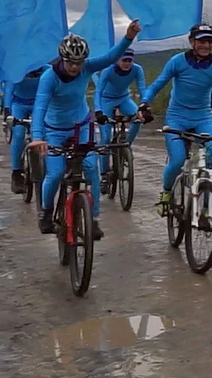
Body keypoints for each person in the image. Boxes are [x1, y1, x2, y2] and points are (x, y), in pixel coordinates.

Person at [29, 21, 141, 239]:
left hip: (82, 126)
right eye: (71, 62)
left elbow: (110, 58)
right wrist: (36, 137)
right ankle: (46, 212)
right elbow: (40, 107)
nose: (75, 67)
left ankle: (94, 218)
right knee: (55, 173)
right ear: (63, 58)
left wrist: (128, 37)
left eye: (79, 62)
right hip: (54, 131)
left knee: (91, 168)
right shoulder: (49, 78)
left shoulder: (87, 67)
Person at [139, 23, 212, 215]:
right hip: (177, 117)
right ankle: (166, 193)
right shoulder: (177, 61)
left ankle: (206, 207)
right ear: (192, 42)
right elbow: (157, 85)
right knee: (178, 159)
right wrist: (145, 102)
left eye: (209, 41)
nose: (205, 45)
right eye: (201, 40)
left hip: (202, 117)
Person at [92, 50, 146, 182]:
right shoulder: (108, 71)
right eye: (124, 60)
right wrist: (98, 111)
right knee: (105, 138)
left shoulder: (137, 69)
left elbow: (142, 89)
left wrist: (144, 107)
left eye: (130, 61)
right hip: (106, 100)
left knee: (138, 118)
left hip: (124, 99)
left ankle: (127, 145)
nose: (127, 64)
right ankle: (104, 175)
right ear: (117, 60)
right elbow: (98, 92)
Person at [4, 68, 44, 194]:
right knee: (19, 134)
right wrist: (7, 109)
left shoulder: (47, 71)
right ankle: (16, 173)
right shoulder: (17, 69)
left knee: (43, 133)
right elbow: (9, 90)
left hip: (39, 105)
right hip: (19, 105)